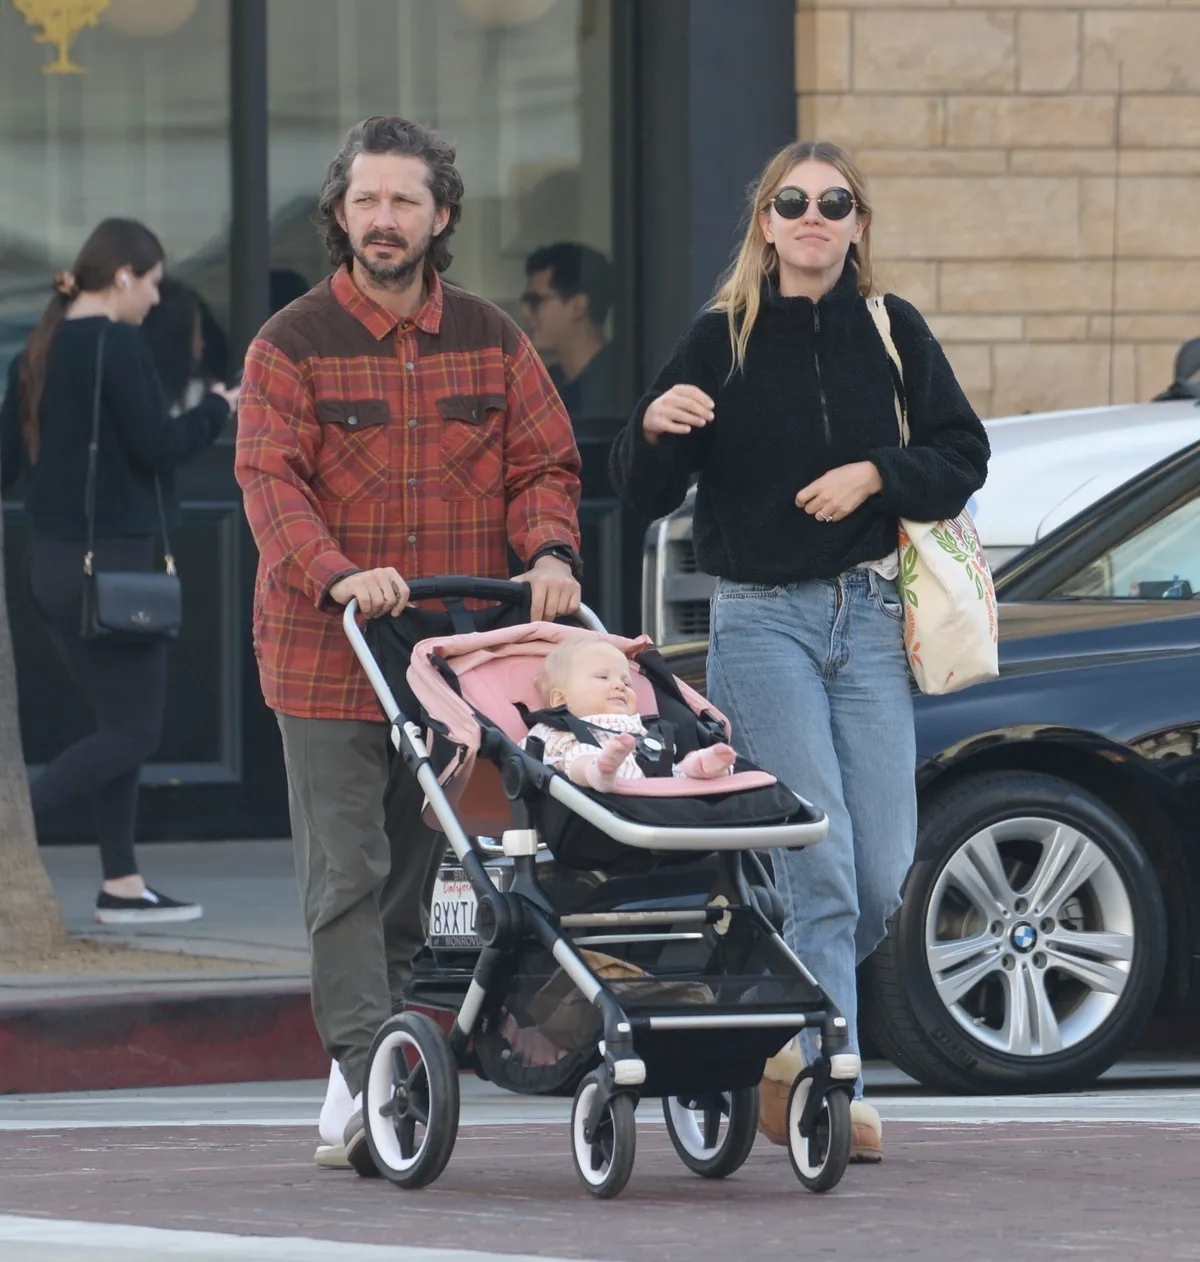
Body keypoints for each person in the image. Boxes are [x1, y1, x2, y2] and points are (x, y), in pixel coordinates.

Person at [609, 140, 990, 1164]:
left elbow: (964, 455)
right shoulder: (719, 338)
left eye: (834, 202)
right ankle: (833, 1077)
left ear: (859, 223)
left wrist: (874, 472)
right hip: (763, 621)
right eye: (793, 202)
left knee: (881, 870)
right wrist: (651, 429)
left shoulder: (891, 329)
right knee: (819, 859)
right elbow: (640, 494)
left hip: (867, 620)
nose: (813, 217)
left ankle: (777, 1022)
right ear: (765, 222)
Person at [234, 115, 584, 1176]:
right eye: (367, 201)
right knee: (347, 868)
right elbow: (268, 480)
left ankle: (373, 1064)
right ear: (339, 213)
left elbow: (544, 465)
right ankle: (362, 1067)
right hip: (323, 648)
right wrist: (338, 570)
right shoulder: (288, 342)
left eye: (405, 201)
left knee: (416, 873)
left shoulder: (492, 337)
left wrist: (552, 549)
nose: (385, 220)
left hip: (448, 662)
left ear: (441, 214)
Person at [0, 218, 237, 924]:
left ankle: (122, 883)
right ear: (125, 276)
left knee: (117, 723)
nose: (158, 300)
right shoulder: (118, 345)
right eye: (155, 282)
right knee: (134, 731)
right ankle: (18, 821)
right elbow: (160, 445)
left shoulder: (36, 350)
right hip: (116, 564)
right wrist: (218, 411)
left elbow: (6, 462)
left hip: (51, 562)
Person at [525, 636, 735, 791]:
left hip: (652, 786)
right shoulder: (555, 729)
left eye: (626, 682)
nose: (620, 686)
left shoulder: (639, 727)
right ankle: (599, 771)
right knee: (577, 757)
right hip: (595, 796)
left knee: (671, 766)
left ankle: (699, 767)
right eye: (602, 677)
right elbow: (530, 757)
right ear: (561, 699)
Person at [521, 242, 618, 423]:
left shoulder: (621, 386)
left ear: (578, 306)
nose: (525, 313)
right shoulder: (546, 385)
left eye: (535, 301)